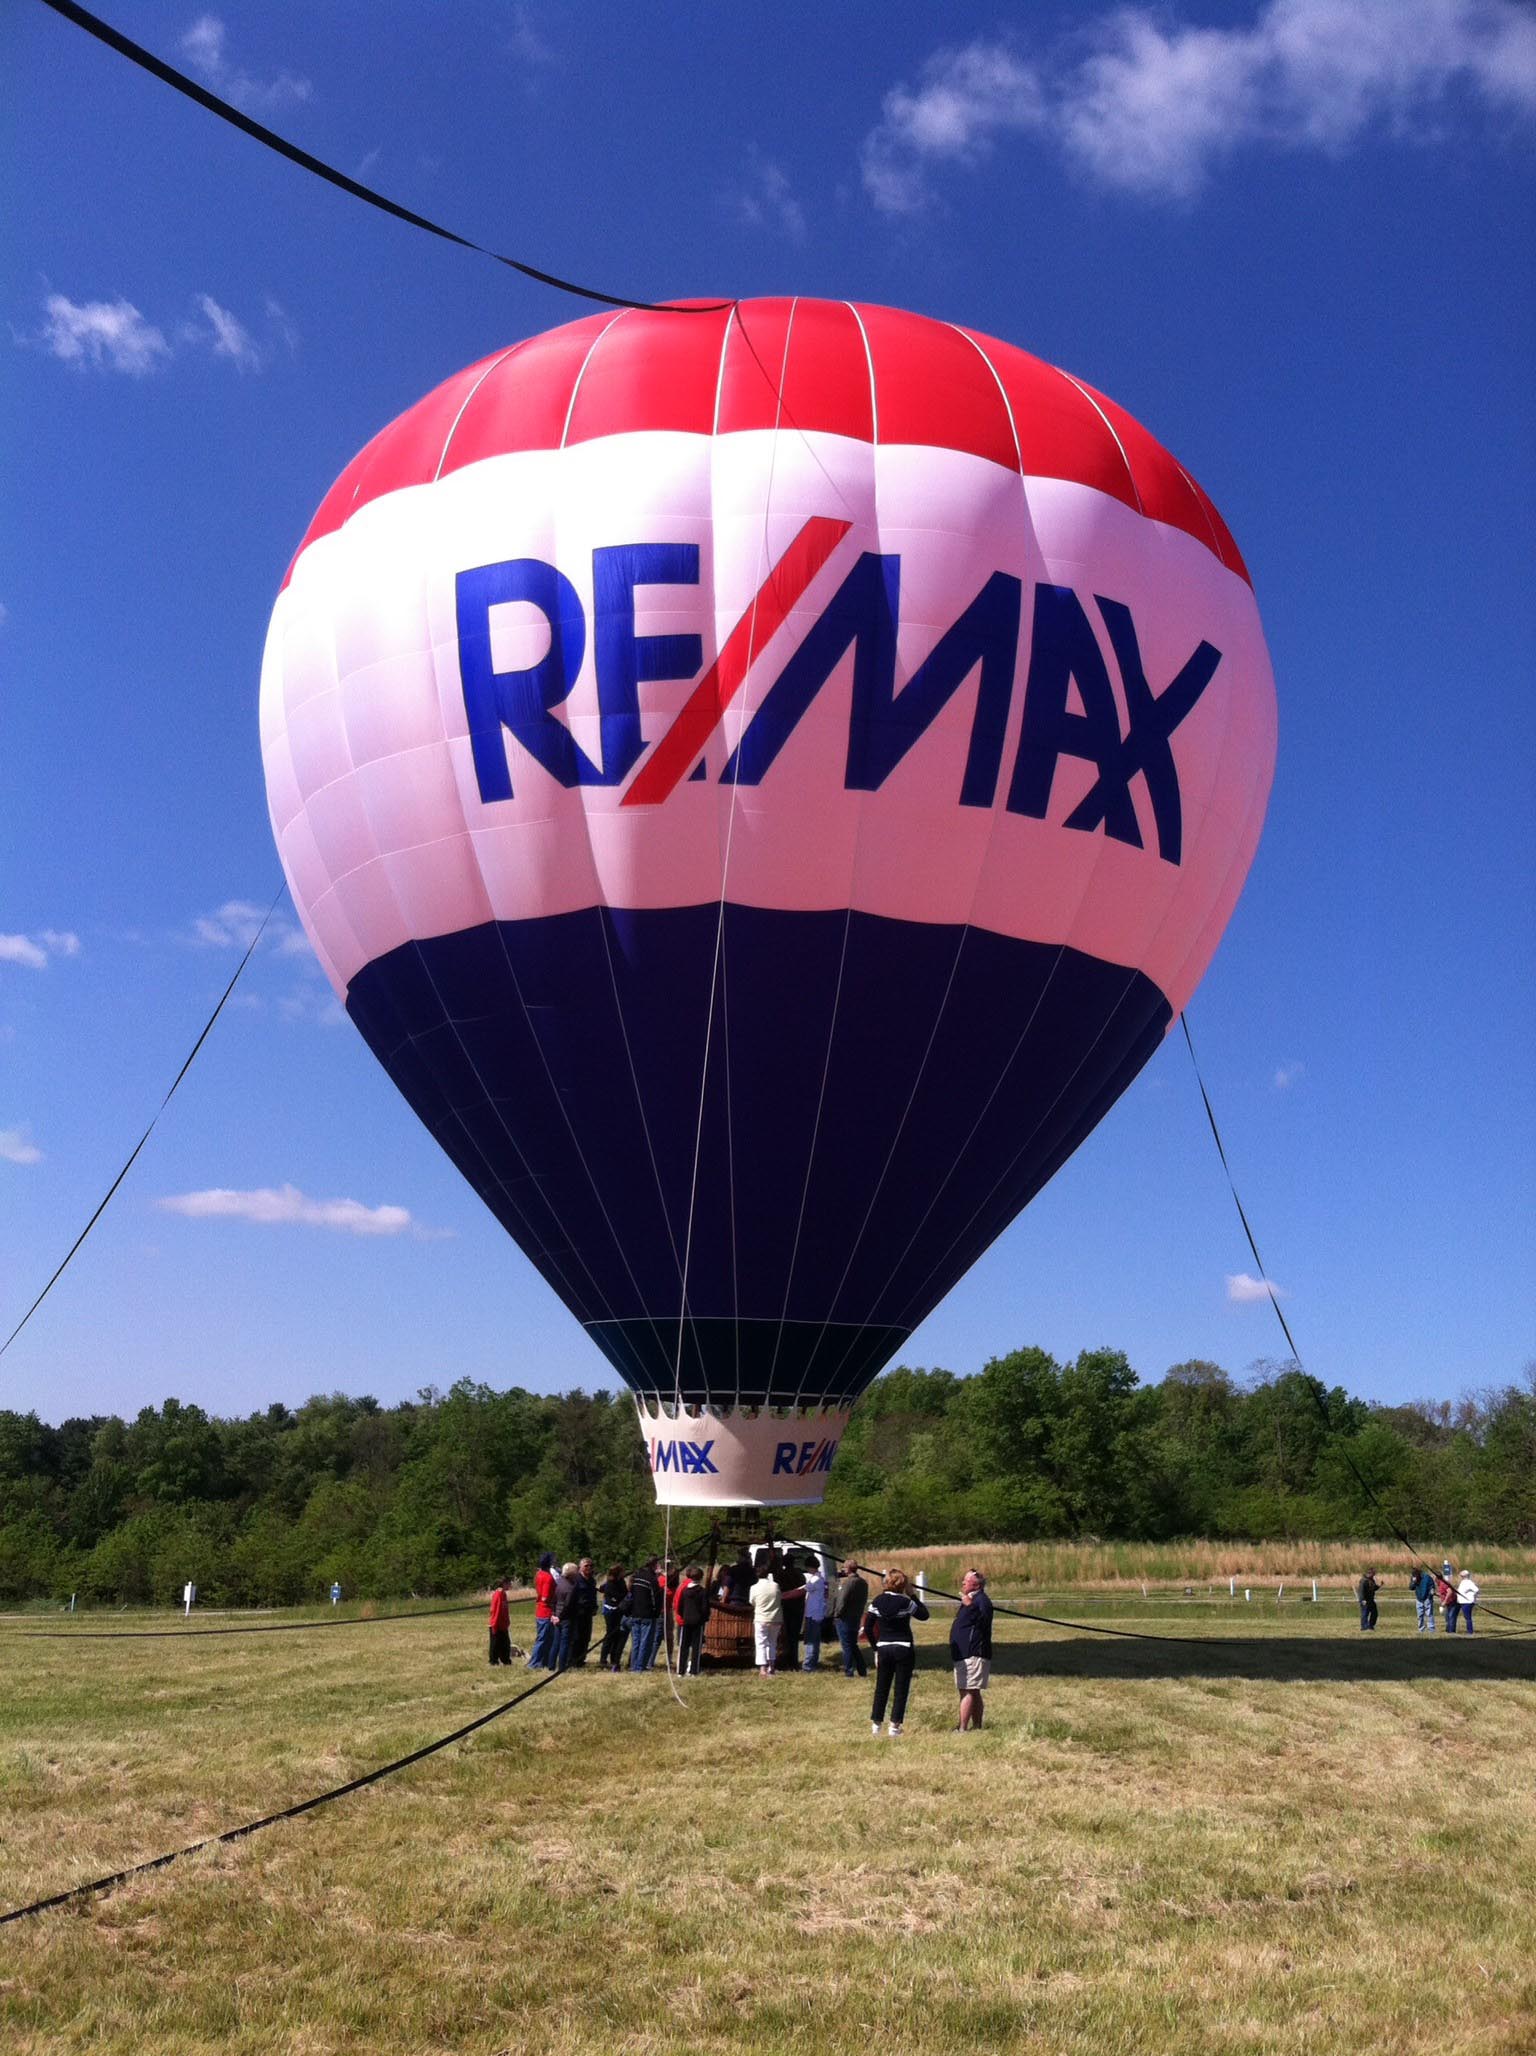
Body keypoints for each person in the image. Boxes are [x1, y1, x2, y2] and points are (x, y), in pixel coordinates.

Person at [865, 1568, 929, 1737]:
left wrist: (875, 1648)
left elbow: (869, 1628)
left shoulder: (877, 1601)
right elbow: (924, 1615)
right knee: (901, 1688)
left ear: (887, 1583)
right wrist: (913, 1595)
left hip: (884, 1646)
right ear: (902, 1585)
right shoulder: (906, 1603)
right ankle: (894, 1726)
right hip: (903, 1646)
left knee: (881, 1686)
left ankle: (876, 1725)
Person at [950, 1567, 994, 1730]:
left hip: (974, 1652)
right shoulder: (971, 1599)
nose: (962, 1582)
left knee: (968, 1690)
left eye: (966, 1580)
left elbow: (983, 1622)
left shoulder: (981, 1601)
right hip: (964, 1652)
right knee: (972, 1690)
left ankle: (962, 1728)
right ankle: (977, 1726)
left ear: (976, 1585)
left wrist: (970, 1607)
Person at [749, 1550, 802, 1676]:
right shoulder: (776, 1585)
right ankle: (773, 1666)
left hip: (762, 1618)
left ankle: (763, 1667)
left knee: (761, 1642)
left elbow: (752, 1602)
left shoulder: (755, 1587)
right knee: (774, 1642)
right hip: (778, 1616)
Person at [626, 1555, 664, 1671]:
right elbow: (656, 1599)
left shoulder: (636, 1577)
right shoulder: (651, 1580)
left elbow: (631, 1594)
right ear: (654, 1565)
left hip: (635, 1613)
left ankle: (633, 1665)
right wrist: (656, 1612)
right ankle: (639, 1667)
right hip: (647, 1615)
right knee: (645, 1642)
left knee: (636, 1642)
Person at [834, 1561, 869, 1678]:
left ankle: (849, 1671)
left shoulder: (848, 1583)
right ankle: (862, 1668)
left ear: (848, 1569)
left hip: (845, 1617)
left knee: (846, 1646)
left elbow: (842, 1601)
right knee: (853, 1644)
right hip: (856, 1616)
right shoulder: (863, 1583)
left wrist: (837, 1614)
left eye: (844, 1567)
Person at [676, 1563, 711, 1676]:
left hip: (686, 1621)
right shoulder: (702, 1591)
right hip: (698, 1622)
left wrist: (684, 1615)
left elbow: (680, 1606)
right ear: (700, 1578)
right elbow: (705, 1608)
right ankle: (694, 1670)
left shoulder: (685, 1591)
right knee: (696, 1647)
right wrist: (704, 1618)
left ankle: (680, 1670)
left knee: (684, 1647)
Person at [526, 1552, 559, 1670]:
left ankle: (543, 1661)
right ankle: (533, 1663)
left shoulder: (539, 1574)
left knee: (547, 1638)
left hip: (540, 1610)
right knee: (543, 1638)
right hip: (546, 1611)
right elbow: (545, 1597)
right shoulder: (548, 1578)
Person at [776, 1548, 808, 1669]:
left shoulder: (781, 1575)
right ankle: (793, 1661)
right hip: (797, 1608)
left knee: (785, 1636)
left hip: (785, 1607)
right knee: (793, 1637)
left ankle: (786, 1661)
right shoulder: (799, 1574)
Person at [597, 1564, 630, 1670]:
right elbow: (615, 1595)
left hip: (619, 1611)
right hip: (611, 1611)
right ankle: (603, 1659)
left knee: (617, 1635)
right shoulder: (610, 1583)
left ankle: (614, 1659)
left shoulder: (621, 1582)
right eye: (622, 1571)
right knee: (610, 1635)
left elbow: (623, 1593)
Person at [801, 1556, 830, 1671]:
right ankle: (813, 1662)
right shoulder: (820, 1578)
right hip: (817, 1613)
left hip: (813, 1613)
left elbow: (802, 1590)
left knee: (811, 1641)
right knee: (815, 1640)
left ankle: (808, 1665)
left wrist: (785, 1595)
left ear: (810, 1567)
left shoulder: (815, 1580)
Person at [568, 1558, 598, 1666]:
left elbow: (593, 1595)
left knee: (586, 1637)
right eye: (586, 1566)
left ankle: (581, 1659)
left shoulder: (592, 1581)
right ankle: (572, 1660)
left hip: (588, 1613)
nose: (589, 1568)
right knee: (576, 1638)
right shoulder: (576, 1580)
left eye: (591, 1565)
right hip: (577, 1613)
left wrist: (595, 1607)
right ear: (580, 1567)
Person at [488, 1575, 513, 1666]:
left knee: (505, 1644)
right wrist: (494, 1625)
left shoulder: (504, 1594)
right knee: (495, 1644)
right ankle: (493, 1661)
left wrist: (507, 1621)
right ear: (504, 1584)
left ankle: (506, 1661)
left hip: (503, 1625)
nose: (510, 1585)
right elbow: (495, 1610)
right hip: (496, 1624)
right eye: (509, 1583)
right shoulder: (498, 1594)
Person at [1410, 1565, 1437, 1633]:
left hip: (1427, 1598)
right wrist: (1414, 1582)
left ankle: (1431, 1629)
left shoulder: (1426, 1577)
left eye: (1415, 1576)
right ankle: (1421, 1629)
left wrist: (1432, 1591)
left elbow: (1432, 1585)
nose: (1414, 1577)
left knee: (1429, 1614)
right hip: (1419, 1599)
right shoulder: (1414, 1578)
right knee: (1419, 1615)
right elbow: (1411, 1588)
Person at [1440, 1561, 1461, 1633]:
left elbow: (1450, 1591)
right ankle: (1448, 1630)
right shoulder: (1441, 1584)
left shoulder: (1443, 1583)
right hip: (1449, 1603)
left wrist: (1444, 1601)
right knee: (1448, 1617)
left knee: (1451, 1617)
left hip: (1453, 1602)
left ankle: (1451, 1631)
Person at [1456, 1568, 1479, 1633]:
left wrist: (1473, 1597)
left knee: (1468, 1617)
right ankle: (1469, 1630)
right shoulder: (1463, 1582)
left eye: (1462, 1576)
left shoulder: (1469, 1582)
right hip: (1462, 1602)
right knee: (1466, 1617)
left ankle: (1470, 1631)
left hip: (1467, 1602)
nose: (1461, 1577)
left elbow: (1476, 1590)